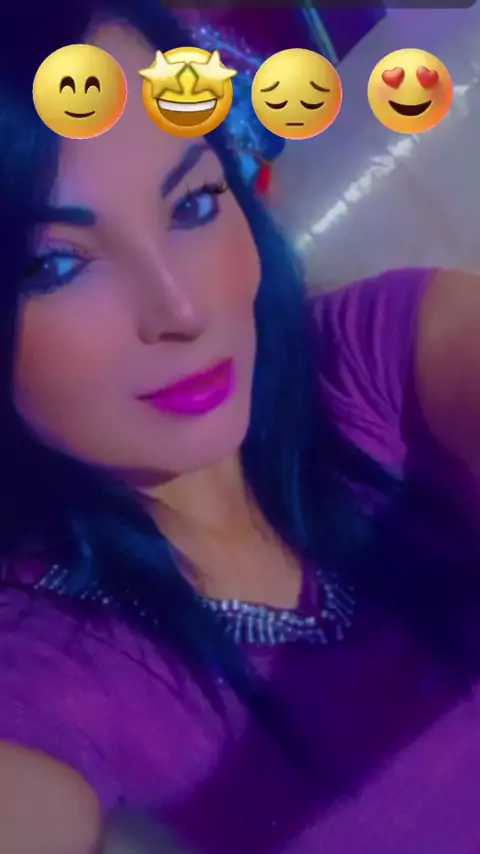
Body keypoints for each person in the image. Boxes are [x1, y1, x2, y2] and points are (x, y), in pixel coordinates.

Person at [1, 1, 480, 852]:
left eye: (192, 205)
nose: (180, 310)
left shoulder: (378, 362)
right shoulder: (45, 669)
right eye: (54, 264)